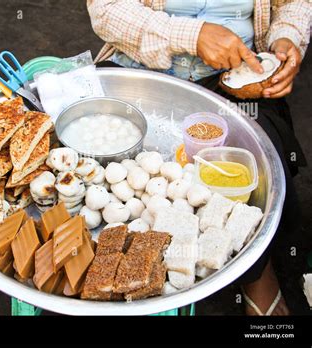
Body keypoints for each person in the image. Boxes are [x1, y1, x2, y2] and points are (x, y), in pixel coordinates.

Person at [87, 0, 310, 315]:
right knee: (92, 159)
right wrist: (190, 36)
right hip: (139, 71)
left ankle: (257, 271)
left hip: (236, 81)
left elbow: (293, 5)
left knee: (261, 170)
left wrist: (286, 37)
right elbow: (105, 11)